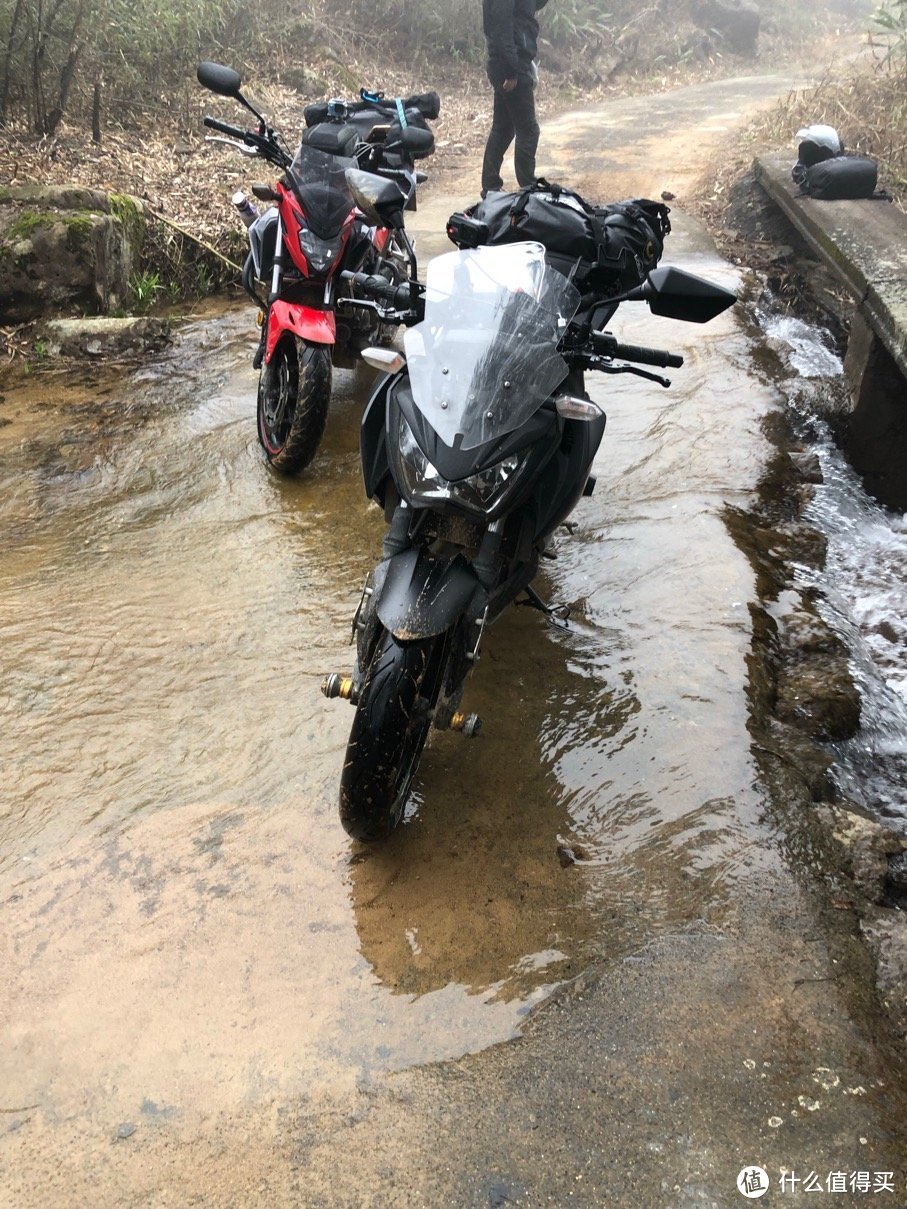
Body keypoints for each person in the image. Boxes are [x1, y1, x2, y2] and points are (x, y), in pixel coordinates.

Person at [481, 0, 549, 197]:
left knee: (503, 128)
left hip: (508, 61)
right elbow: (502, 28)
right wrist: (512, 70)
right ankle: (528, 186)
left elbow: (533, 5)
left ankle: (490, 186)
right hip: (510, 63)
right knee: (528, 129)